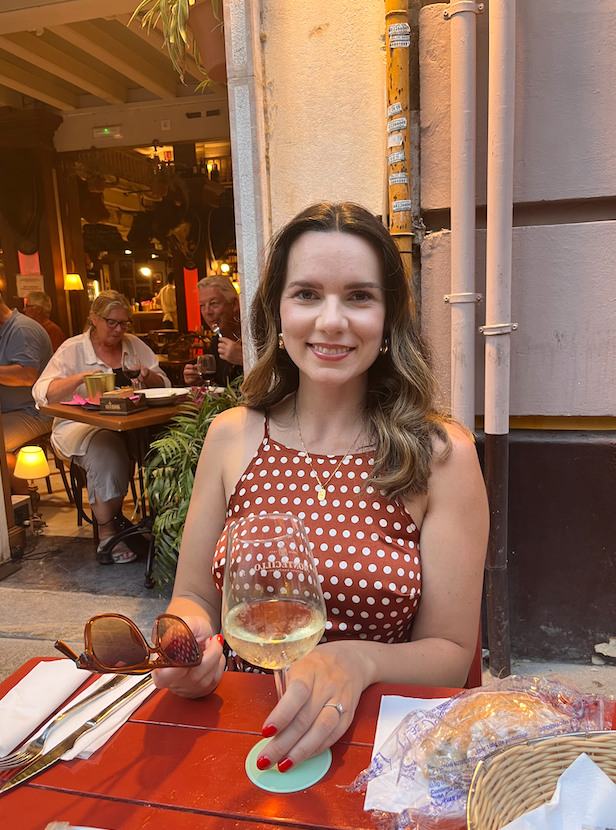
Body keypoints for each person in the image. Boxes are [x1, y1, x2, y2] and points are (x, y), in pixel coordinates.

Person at [154, 202, 489, 774]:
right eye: (306, 294)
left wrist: (356, 662)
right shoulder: (232, 435)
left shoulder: (440, 453)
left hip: (380, 749)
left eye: (359, 296)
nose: (331, 321)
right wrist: (182, 645)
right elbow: (195, 599)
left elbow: (453, 657)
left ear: (388, 318)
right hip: (241, 731)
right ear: (277, 313)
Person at [32, 290, 170, 565]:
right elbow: (42, 393)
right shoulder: (73, 349)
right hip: (79, 425)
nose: (119, 330)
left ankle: (160, 523)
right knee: (107, 450)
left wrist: (148, 376)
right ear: (94, 318)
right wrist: (79, 378)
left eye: (124, 323)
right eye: (112, 322)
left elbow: (164, 384)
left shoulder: (133, 346)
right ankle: (108, 531)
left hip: (128, 426)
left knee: (162, 448)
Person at [0, 289, 53, 495]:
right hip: (10, 411)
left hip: (35, 411)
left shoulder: (22, 329)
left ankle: (25, 499)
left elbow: (26, 375)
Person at [183, 274, 243, 387]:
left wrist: (243, 359)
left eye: (214, 303)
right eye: (202, 306)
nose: (207, 312)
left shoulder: (257, 334)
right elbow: (221, 388)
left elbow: (281, 376)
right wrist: (201, 381)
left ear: (234, 304)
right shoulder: (217, 342)